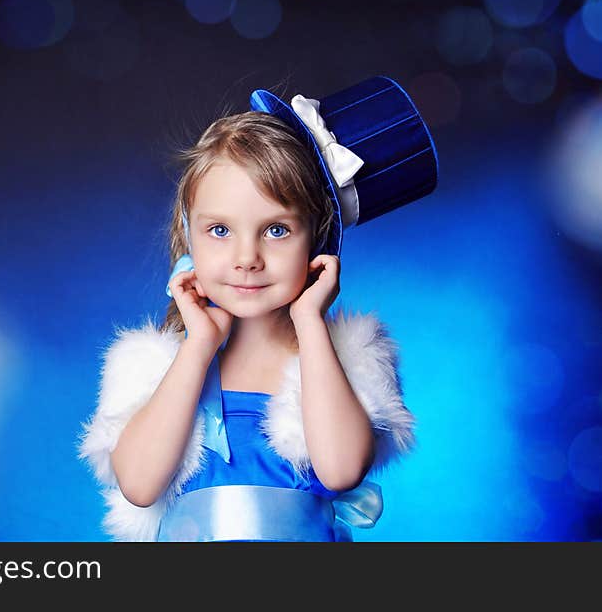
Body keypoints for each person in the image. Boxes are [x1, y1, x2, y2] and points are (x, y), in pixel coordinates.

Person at [79, 76, 438, 541]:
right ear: (189, 238)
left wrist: (310, 325)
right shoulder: (152, 365)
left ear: (320, 239)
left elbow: (342, 470)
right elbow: (139, 485)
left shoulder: (349, 360)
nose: (247, 258)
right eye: (220, 231)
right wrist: (199, 346)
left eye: (276, 230)